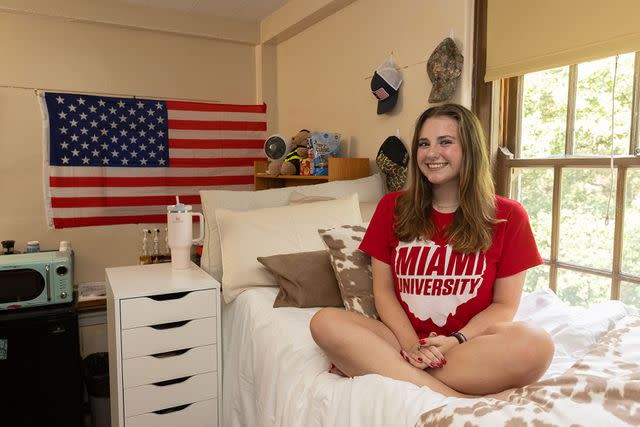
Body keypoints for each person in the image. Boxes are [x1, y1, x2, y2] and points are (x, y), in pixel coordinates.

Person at [310, 104, 554, 398]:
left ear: (470, 150)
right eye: (424, 144)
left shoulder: (508, 216)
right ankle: (454, 397)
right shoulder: (391, 208)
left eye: (445, 142)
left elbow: (504, 306)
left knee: (536, 344)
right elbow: (384, 292)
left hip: (465, 346)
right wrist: (412, 346)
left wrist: (454, 341)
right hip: (398, 341)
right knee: (324, 322)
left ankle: (394, 372)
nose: (431, 153)